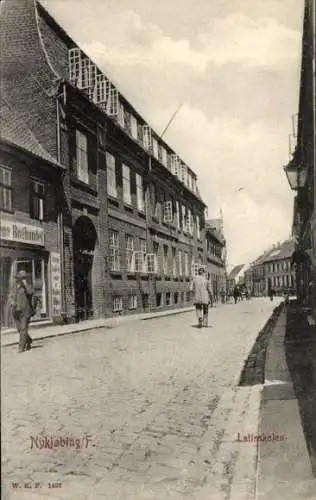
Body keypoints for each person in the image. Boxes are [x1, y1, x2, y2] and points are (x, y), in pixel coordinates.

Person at [9, 270, 34, 353]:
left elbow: (31, 292)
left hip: (25, 311)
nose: (19, 280)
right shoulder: (14, 286)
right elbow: (11, 296)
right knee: (19, 329)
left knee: (23, 329)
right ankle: (29, 340)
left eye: (22, 278)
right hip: (15, 311)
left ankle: (21, 347)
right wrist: (11, 301)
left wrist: (25, 284)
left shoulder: (28, 286)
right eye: (18, 278)